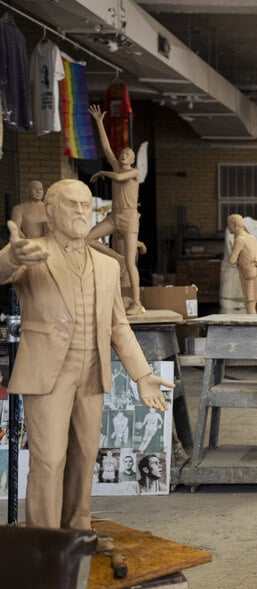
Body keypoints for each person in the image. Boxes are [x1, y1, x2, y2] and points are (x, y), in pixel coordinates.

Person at [0, 179, 172, 530]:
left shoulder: (107, 265)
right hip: (48, 372)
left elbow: (118, 326)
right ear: (50, 211)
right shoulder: (32, 253)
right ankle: (44, 542)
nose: (80, 211)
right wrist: (9, 255)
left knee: (84, 456)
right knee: (49, 459)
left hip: (91, 370)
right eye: (71, 205)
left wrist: (142, 374)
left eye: (84, 205)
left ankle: (77, 529)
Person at [86, 104, 145, 315]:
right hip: (114, 216)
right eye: (123, 153)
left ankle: (137, 301)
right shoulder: (116, 166)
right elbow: (106, 148)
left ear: (133, 159)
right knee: (87, 239)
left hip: (129, 218)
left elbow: (119, 177)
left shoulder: (134, 173)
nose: (123, 155)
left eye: (128, 154)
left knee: (131, 262)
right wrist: (99, 123)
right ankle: (115, 258)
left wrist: (103, 172)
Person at [227, 213, 257, 314]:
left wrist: (233, 250)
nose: (228, 228)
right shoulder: (251, 236)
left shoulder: (239, 239)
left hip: (251, 273)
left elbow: (232, 260)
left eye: (229, 225)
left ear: (235, 225)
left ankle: (254, 329)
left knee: (250, 304)